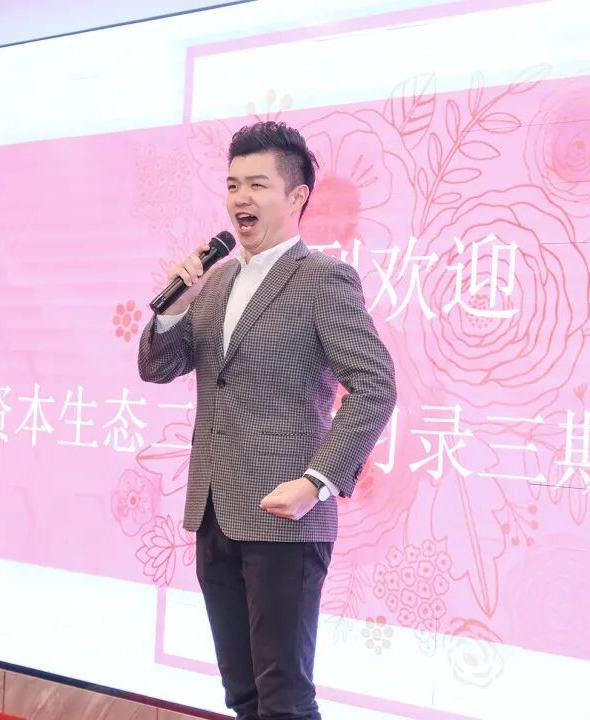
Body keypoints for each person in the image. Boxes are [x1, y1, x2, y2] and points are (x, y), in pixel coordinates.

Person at [137, 121, 396, 720]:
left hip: (287, 518)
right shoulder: (215, 280)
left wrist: (316, 482)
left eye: (257, 184)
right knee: (243, 694)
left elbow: (376, 385)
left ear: (297, 196)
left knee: (284, 698)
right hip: (214, 510)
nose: (240, 199)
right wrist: (174, 307)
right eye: (232, 185)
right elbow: (157, 368)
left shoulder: (322, 279)